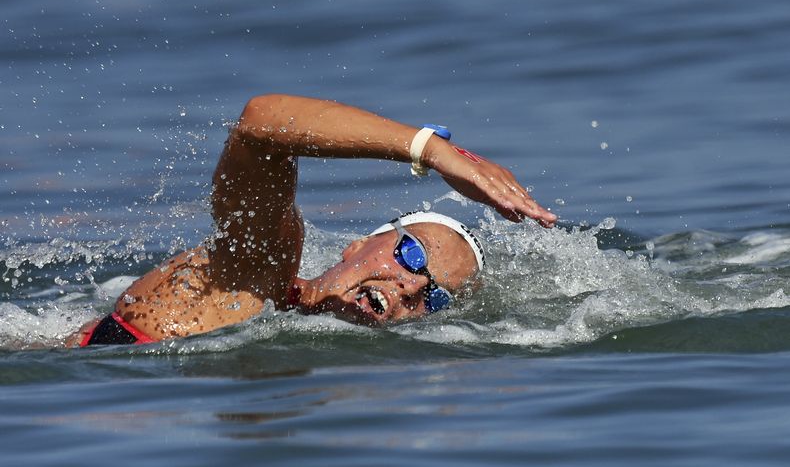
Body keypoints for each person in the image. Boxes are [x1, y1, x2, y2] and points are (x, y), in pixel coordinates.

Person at [67, 94, 556, 346]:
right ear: (357, 245)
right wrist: (430, 150)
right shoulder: (255, 275)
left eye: (435, 296)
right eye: (412, 254)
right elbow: (260, 125)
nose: (410, 287)